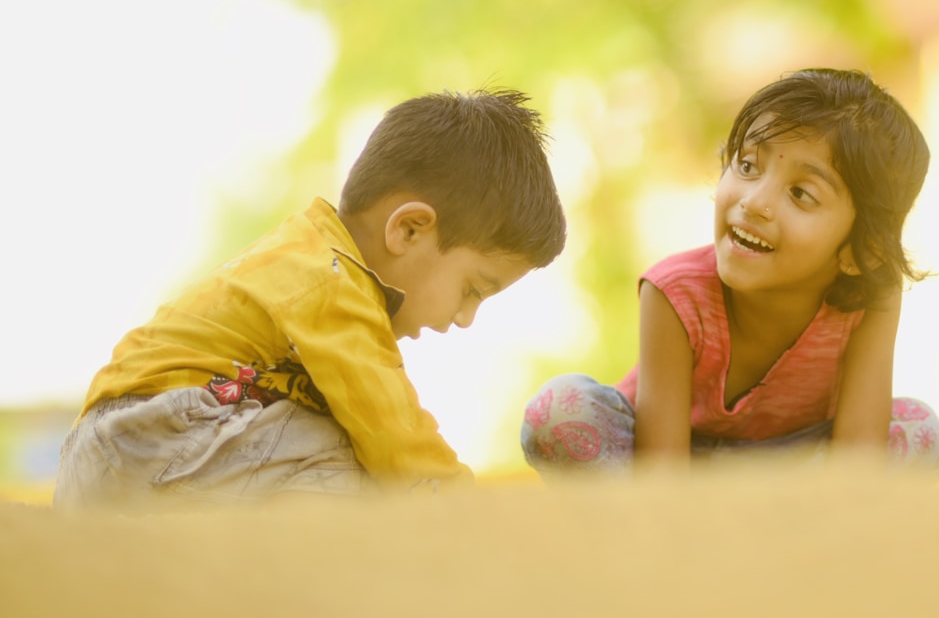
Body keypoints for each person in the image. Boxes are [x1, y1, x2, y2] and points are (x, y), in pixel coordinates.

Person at [54, 88, 567, 509]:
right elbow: (393, 430)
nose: (466, 318)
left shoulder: (312, 259)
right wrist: (475, 513)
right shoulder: (330, 279)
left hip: (125, 451)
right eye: (473, 289)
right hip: (155, 437)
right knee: (366, 473)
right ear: (409, 230)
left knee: (338, 447)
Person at [522, 68, 939, 477]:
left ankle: (785, 533)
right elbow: (661, 474)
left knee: (921, 433)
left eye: (801, 193)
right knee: (560, 409)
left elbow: (859, 461)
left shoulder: (871, 295)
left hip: (796, 471)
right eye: (747, 166)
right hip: (676, 468)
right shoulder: (674, 293)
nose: (755, 201)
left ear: (862, 252)